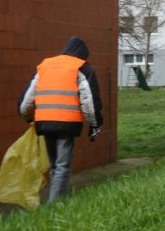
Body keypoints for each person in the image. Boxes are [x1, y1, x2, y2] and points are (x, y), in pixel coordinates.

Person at [18, 36, 103, 202]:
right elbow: (89, 100)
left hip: (44, 122)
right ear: (82, 54)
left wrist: (28, 117)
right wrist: (95, 124)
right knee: (63, 165)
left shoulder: (45, 65)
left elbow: (28, 98)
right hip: (67, 122)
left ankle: (54, 200)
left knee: (55, 165)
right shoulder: (81, 66)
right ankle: (54, 206)